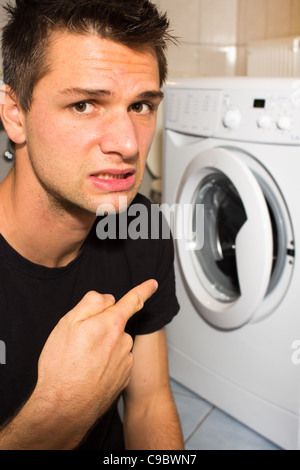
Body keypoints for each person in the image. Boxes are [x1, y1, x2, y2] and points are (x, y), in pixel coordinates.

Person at [0, 0, 184, 450]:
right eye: (84, 105)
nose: (127, 143)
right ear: (14, 113)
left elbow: (148, 401)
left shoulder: (142, 227)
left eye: (141, 105)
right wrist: (55, 415)